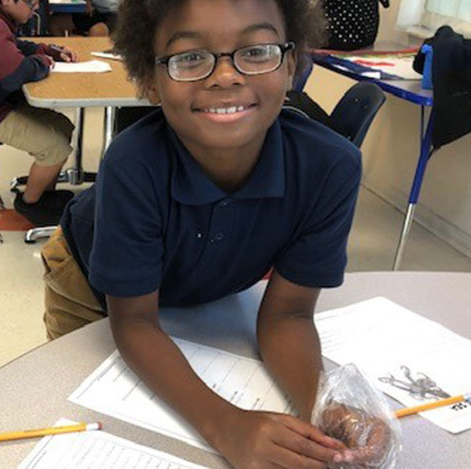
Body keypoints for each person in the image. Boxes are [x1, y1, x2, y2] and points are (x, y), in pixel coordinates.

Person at [41, 0, 381, 466]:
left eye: (257, 51)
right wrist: (226, 424)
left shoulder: (329, 168)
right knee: (84, 414)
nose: (225, 76)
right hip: (88, 284)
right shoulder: (132, 164)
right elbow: (135, 321)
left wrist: (324, 407)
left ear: (293, 64)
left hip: (204, 287)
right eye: (190, 57)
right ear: (149, 80)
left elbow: (289, 316)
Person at [0, 0, 80, 226]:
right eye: (32, 2)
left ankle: (44, 194)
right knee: (55, 147)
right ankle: (30, 204)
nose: (36, 8)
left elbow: (17, 47)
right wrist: (44, 61)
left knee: (62, 126)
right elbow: (15, 75)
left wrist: (50, 51)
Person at [49, 0, 119, 37]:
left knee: (97, 31)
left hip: (115, 12)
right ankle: (62, 55)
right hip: (95, 10)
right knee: (55, 22)